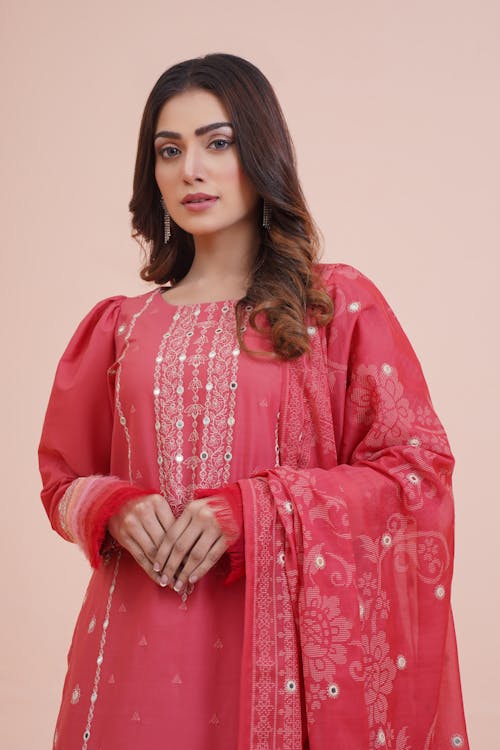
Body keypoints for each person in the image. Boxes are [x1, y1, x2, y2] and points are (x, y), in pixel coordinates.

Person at [38, 53, 468, 749]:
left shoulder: (332, 306)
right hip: (130, 653)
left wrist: (256, 509)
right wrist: (111, 507)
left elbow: (415, 469)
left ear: (259, 151)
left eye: (218, 142)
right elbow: (61, 481)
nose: (190, 170)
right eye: (169, 151)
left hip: (276, 663)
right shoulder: (120, 325)